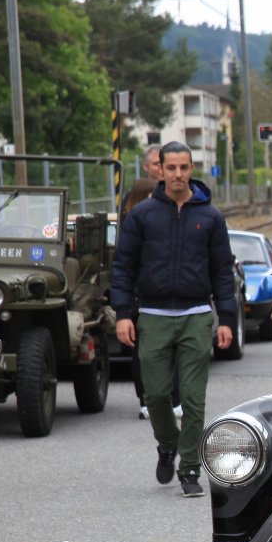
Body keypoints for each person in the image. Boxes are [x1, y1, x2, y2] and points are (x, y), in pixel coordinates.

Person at [110, 141, 238, 498]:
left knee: (194, 400)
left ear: (191, 168)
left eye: (184, 167)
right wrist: (123, 314)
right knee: (156, 394)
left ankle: (190, 467)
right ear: (160, 170)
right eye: (171, 168)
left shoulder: (210, 217)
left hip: (196, 315)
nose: (178, 174)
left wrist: (226, 318)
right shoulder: (143, 215)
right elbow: (123, 266)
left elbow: (222, 271)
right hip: (153, 316)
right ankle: (167, 444)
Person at [121, 177, 179, 421]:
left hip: (157, 296)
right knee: (143, 353)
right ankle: (146, 399)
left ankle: (173, 399)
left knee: (169, 350)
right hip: (140, 298)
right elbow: (125, 263)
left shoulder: (162, 219)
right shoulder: (133, 222)